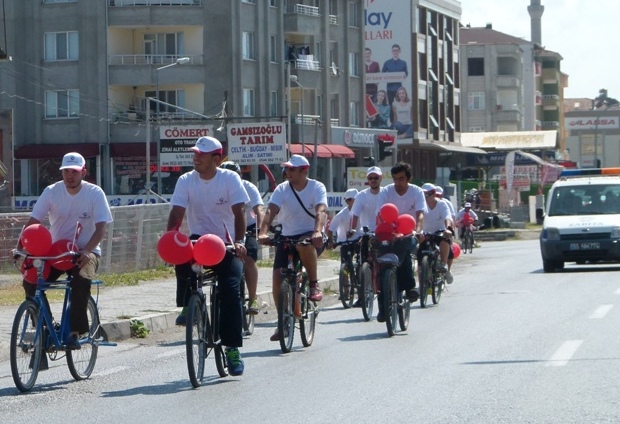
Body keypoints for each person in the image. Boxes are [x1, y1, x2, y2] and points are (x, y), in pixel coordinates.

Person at [167, 136, 248, 376]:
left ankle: (232, 348)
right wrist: (170, 238)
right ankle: (187, 305)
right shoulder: (186, 180)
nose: (196, 157)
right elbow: (177, 213)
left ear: (216, 158)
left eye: (202, 154)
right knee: (181, 256)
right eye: (195, 153)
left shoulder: (229, 178)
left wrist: (240, 241)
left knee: (231, 290)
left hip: (226, 243)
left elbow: (239, 211)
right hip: (198, 241)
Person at [18, 152, 113, 350]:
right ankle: (44, 327)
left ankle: (75, 331)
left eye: (75, 171)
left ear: (83, 172)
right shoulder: (51, 192)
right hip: (56, 252)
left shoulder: (95, 193)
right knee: (31, 280)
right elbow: (33, 222)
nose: (70, 175)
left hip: (85, 251)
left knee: (81, 280)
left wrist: (87, 251)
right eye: (66, 171)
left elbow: (101, 229)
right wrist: (19, 249)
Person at [258, 154, 327, 341]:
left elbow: (321, 211)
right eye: (286, 168)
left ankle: (313, 284)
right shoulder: (282, 189)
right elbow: (270, 211)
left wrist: (317, 231)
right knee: (277, 276)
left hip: (310, 235)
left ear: (304, 171)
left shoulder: (317, 187)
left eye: (292, 169)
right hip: (287, 235)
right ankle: (283, 322)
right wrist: (263, 232)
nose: (287, 172)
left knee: (303, 245)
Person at [374, 162, 425, 321]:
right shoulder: (386, 192)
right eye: (395, 179)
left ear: (409, 179)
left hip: (408, 233)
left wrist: (418, 230)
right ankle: (383, 308)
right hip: (389, 233)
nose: (398, 182)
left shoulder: (416, 192)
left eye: (401, 179)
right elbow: (381, 214)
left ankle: (409, 288)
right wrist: (388, 231)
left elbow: (420, 214)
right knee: (383, 266)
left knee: (405, 250)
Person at [220, 160, 264, 315]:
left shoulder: (249, 188)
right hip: (226, 229)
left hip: (249, 228)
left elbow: (259, 209)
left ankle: (252, 298)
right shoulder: (218, 187)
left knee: (249, 259)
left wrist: (260, 229)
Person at [348, 166, 384, 265]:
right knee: (363, 258)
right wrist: (352, 229)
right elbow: (355, 215)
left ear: (381, 178)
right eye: (370, 178)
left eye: (376, 178)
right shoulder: (361, 195)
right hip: (366, 232)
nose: (373, 180)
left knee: (386, 259)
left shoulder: (386, 193)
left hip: (383, 232)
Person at [420, 183, 454, 284]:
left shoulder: (442, 204)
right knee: (420, 256)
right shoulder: (420, 204)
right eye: (423, 194)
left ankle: (444, 265)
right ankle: (422, 283)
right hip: (425, 233)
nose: (425, 197)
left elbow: (447, 217)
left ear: (434, 194)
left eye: (427, 194)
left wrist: (448, 229)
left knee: (444, 241)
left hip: (439, 231)